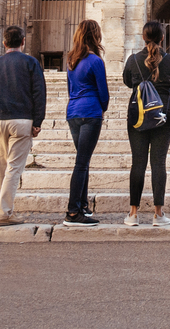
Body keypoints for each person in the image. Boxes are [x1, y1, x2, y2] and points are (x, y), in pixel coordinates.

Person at [0, 25, 46, 227]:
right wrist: (37, 121)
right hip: (22, 120)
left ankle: (2, 210)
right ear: (23, 41)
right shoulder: (31, 63)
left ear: (4, 42)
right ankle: (3, 212)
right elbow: (39, 93)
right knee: (14, 168)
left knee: (1, 167)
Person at [122, 21, 170, 226]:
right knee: (159, 162)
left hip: (138, 115)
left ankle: (133, 214)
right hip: (164, 114)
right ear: (162, 38)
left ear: (143, 37)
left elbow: (127, 81)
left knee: (137, 162)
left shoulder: (133, 60)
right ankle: (158, 213)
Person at [63, 19, 109, 227]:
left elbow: (69, 88)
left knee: (83, 159)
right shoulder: (95, 61)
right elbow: (103, 92)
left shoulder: (71, 59)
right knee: (82, 162)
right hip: (90, 111)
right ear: (95, 36)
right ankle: (73, 212)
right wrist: (103, 108)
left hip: (73, 111)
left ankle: (82, 204)